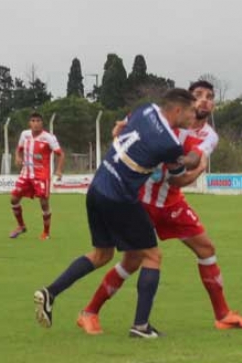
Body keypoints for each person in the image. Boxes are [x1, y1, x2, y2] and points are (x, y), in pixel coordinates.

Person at [33, 88, 202, 339]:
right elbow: (181, 173)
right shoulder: (169, 143)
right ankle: (141, 326)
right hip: (119, 196)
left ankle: (50, 292)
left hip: (97, 187)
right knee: (153, 256)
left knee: (102, 254)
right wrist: (199, 161)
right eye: (191, 111)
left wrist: (120, 127)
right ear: (177, 110)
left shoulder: (146, 109)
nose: (193, 116)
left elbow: (126, 123)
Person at [77, 80, 242, 334]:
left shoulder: (209, 135)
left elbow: (190, 165)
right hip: (139, 200)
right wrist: (122, 124)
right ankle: (90, 312)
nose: (205, 100)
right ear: (185, 102)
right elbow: (132, 123)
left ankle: (222, 315)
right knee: (132, 260)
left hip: (171, 202)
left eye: (210, 96)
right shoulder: (168, 122)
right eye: (198, 95)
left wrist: (188, 166)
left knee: (206, 248)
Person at [9, 113, 65, 240]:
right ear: (30, 123)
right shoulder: (25, 134)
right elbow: (19, 149)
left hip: (41, 175)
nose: (35, 123)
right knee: (13, 199)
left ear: (42, 123)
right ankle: (21, 226)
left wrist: (59, 170)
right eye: (33, 120)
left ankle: (46, 232)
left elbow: (60, 154)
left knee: (44, 203)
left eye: (38, 121)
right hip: (26, 173)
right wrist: (18, 157)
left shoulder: (48, 138)